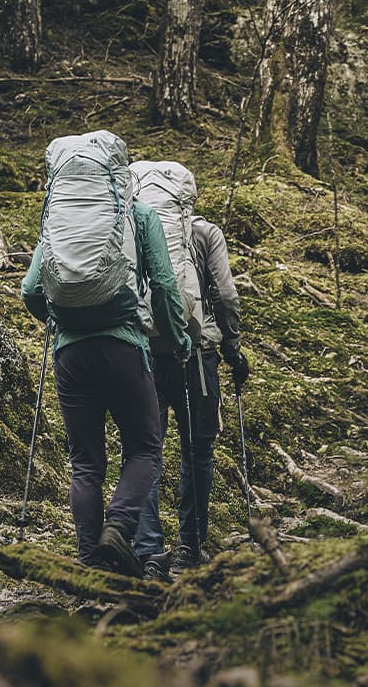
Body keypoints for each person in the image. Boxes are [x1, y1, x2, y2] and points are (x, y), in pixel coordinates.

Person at [21, 131, 192, 578]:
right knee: (144, 448)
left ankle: (90, 561)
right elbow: (166, 287)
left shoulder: (59, 221)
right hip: (124, 347)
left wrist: (58, 323)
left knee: (85, 463)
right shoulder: (137, 214)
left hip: (70, 357)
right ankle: (119, 527)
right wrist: (176, 340)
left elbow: (30, 289)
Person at [131, 165, 249, 580]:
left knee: (145, 451)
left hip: (144, 353)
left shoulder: (134, 225)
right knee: (197, 452)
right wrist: (233, 349)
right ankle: (189, 545)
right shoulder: (205, 233)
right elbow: (226, 295)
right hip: (197, 357)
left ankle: (147, 550)